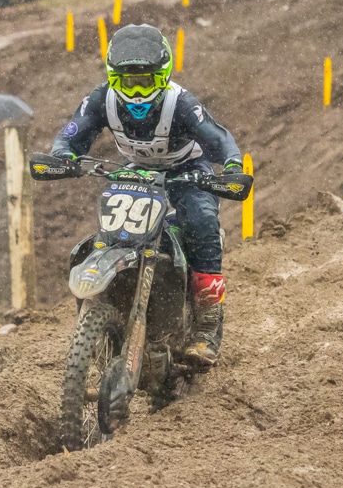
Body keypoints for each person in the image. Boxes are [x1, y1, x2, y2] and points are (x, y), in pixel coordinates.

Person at [51, 23, 246, 368]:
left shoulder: (181, 103)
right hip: (136, 172)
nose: (137, 90)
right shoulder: (101, 100)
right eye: (129, 81)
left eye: (146, 80)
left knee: (201, 222)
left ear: (163, 76)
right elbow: (73, 133)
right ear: (114, 78)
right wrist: (63, 153)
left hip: (187, 170)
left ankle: (207, 322)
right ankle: (105, 312)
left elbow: (217, 138)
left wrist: (231, 164)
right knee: (112, 234)